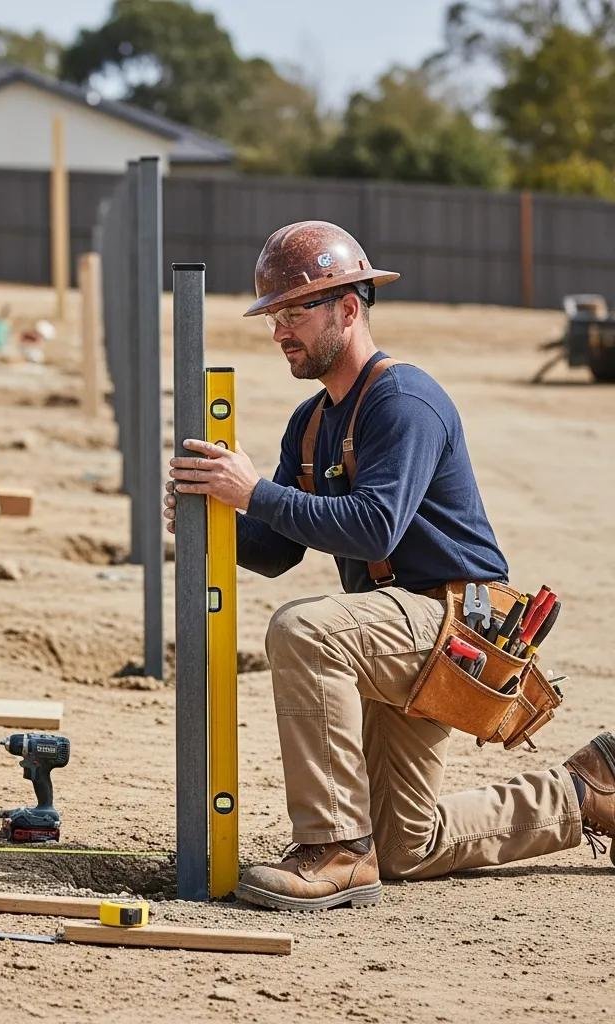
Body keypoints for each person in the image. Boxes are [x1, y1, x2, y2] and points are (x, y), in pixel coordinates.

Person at [164, 220, 615, 911]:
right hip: (399, 628)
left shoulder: (403, 400)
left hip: (450, 622)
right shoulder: (311, 423)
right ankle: (589, 790)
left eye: (296, 312)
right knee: (407, 845)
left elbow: (376, 524)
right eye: (274, 316)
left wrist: (252, 491)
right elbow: (284, 549)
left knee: (307, 631)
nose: (281, 330)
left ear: (348, 308)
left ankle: (335, 848)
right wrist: (210, 525)